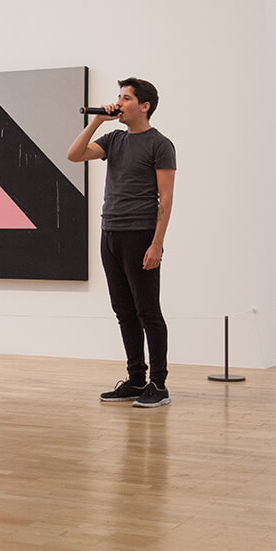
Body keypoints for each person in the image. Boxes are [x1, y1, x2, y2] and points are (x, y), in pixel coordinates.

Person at [67, 78, 176, 408]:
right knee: (123, 310)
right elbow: (74, 155)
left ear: (144, 106)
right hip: (110, 232)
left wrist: (157, 244)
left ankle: (158, 385)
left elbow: (166, 197)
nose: (119, 102)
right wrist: (98, 119)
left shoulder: (160, 144)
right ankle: (135, 379)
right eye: (119, 97)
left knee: (147, 311)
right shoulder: (113, 139)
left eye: (126, 98)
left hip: (140, 233)